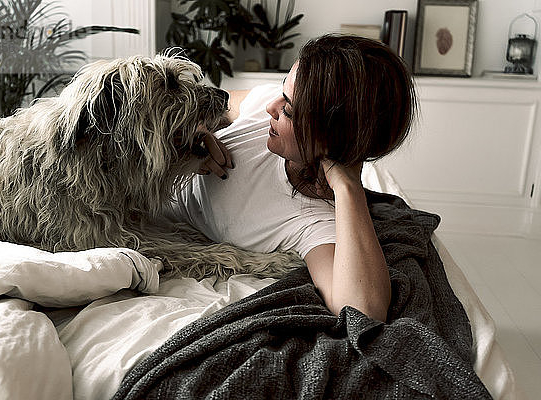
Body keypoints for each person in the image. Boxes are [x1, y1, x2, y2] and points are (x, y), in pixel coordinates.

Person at [169, 34, 417, 322]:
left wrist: (349, 188)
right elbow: (213, 106)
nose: (270, 107)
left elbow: (363, 310)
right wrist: (195, 132)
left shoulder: (312, 220)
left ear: (327, 138)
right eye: (282, 93)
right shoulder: (266, 109)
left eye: (288, 109)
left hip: (143, 225)